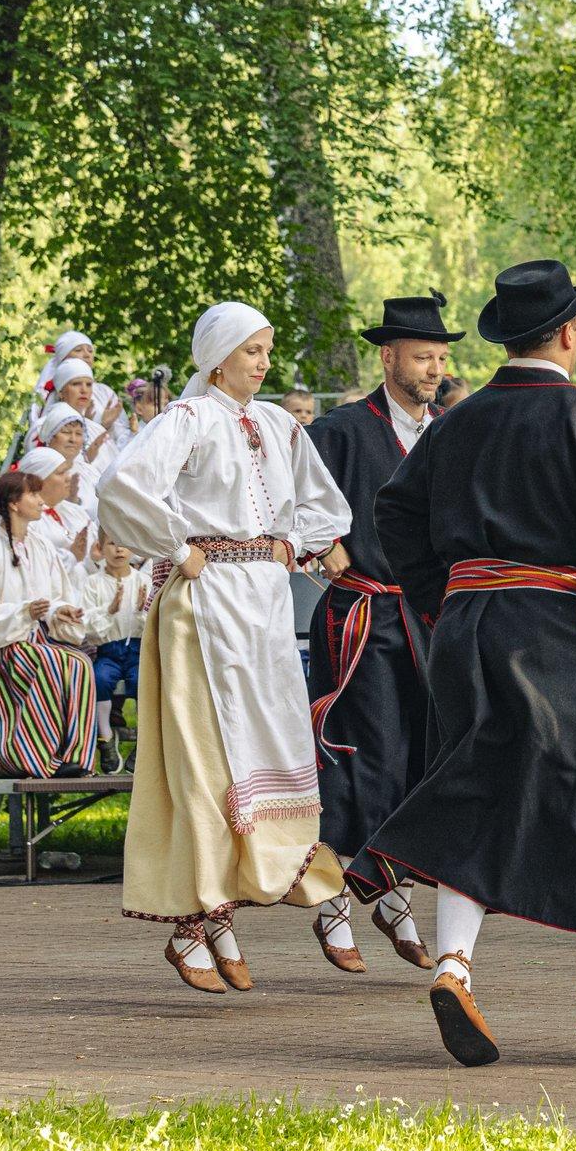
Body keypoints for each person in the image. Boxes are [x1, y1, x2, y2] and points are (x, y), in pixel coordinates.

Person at [343, 259, 576, 1065]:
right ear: (566, 332)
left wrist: (439, 597)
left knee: (476, 786)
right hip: (557, 623)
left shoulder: (457, 421)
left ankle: (454, 964)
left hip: (466, 626)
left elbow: (394, 507)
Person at [99, 301, 353, 995]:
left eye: (267, 348)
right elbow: (122, 486)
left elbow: (324, 506)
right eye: (251, 350)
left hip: (265, 607)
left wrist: (293, 546)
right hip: (203, 607)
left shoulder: (276, 422)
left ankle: (297, 890)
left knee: (275, 750)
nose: (263, 361)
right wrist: (177, 547)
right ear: (216, 357)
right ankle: (203, 917)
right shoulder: (188, 418)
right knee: (205, 762)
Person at [303, 292, 464, 974]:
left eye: (439, 358)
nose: (433, 369)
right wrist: (325, 543)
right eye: (422, 356)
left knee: (418, 758)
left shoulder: (449, 433)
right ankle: (336, 897)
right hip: (361, 613)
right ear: (388, 355)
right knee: (362, 752)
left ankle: (387, 888)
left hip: (426, 618)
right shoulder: (340, 430)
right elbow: (291, 495)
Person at [0, 469, 98, 782]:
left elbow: (52, 598)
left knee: (79, 664)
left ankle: (73, 757)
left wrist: (60, 612)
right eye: (34, 495)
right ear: (13, 503)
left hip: (33, 640)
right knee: (53, 663)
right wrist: (26, 611)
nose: (40, 501)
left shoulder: (40, 546)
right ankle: (30, 754)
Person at [80, 530, 151, 774]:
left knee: (143, 680)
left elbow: (153, 624)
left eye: (124, 543)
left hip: (138, 650)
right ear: (101, 547)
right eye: (112, 544)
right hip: (108, 649)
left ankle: (144, 744)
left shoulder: (143, 581)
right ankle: (106, 737)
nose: (119, 550)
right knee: (99, 678)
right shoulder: (93, 583)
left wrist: (142, 611)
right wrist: (110, 611)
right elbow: (89, 628)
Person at [36, 329, 130, 447]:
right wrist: (99, 424)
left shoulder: (105, 392)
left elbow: (122, 436)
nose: (87, 355)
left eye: (90, 351)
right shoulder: (52, 396)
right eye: (78, 350)